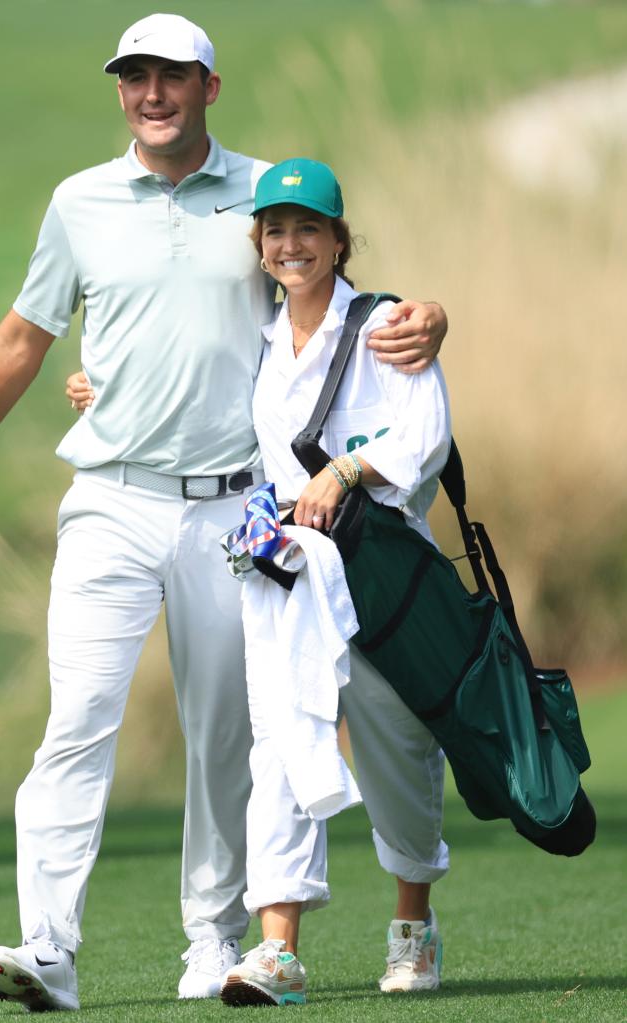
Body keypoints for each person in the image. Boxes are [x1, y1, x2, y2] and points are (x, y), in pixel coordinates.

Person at [0, 13, 447, 1013]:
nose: (152, 93)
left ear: (210, 85)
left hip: (232, 515)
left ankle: (212, 944)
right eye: (134, 78)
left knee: (221, 735)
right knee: (75, 718)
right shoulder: (79, 202)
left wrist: (428, 315)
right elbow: (24, 336)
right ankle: (50, 949)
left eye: (173, 77)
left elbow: (331, 296)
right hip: (109, 500)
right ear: (120, 90)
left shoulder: (264, 194)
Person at [215, 159, 451, 1006]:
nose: (290, 245)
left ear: (338, 238)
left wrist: (346, 471)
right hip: (284, 578)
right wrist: (103, 392)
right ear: (260, 244)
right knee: (280, 742)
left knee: (396, 744)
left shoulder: (386, 323)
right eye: (274, 231)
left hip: (382, 573)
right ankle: (277, 949)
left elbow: (423, 435)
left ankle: (412, 925)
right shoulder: (260, 340)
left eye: (306, 228)